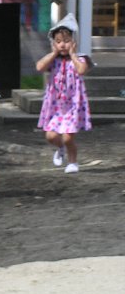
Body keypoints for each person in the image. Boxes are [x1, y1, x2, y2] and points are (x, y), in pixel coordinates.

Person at [36, 13, 92, 174]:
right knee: (51, 136)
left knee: (68, 137)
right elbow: (39, 67)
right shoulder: (53, 59)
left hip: (73, 105)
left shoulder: (80, 58)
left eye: (66, 41)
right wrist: (53, 53)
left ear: (73, 42)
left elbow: (81, 70)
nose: (62, 45)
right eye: (58, 41)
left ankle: (73, 162)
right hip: (55, 105)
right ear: (53, 43)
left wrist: (73, 54)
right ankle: (60, 148)